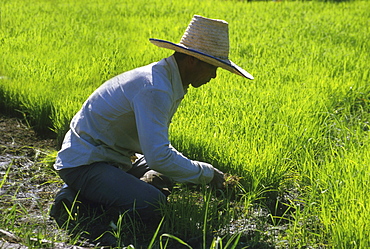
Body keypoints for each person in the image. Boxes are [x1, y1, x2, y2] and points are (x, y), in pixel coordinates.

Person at [50, 14, 253, 244]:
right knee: (153, 202)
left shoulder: (167, 79)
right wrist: (206, 174)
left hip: (114, 156)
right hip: (85, 161)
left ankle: (97, 191)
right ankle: (76, 197)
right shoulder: (157, 88)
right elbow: (157, 156)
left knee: (175, 167)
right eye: (212, 67)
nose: (214, 75)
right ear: (192, 60)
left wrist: (198, 171)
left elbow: (159, 152)